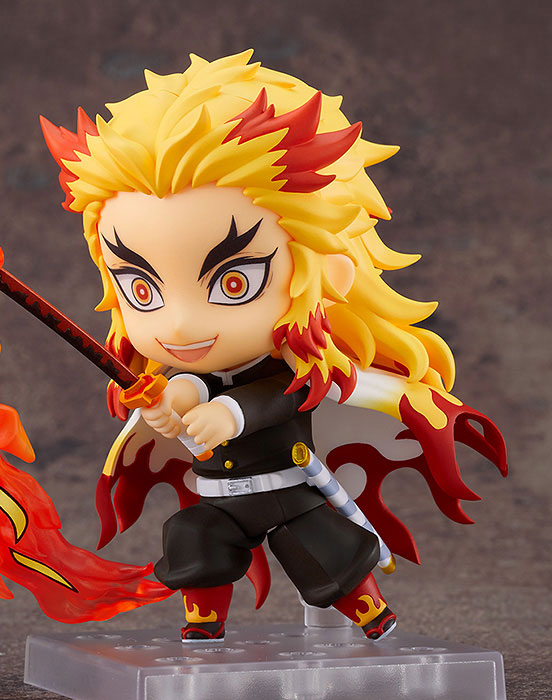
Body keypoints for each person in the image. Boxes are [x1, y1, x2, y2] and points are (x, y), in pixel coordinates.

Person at [40, 50, 507, 641]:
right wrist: (169, 405)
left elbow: (276, 397)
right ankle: (203, 621)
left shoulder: (294, 373)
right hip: (219, 498)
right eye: (141, 288)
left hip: (289, 492)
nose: (178, 325)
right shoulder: (185, 367)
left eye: (233, 282)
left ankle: (371, 611)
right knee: (193, 540)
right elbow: (190, 387)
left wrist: (228, 415)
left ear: (327, 272)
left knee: (323, 552)